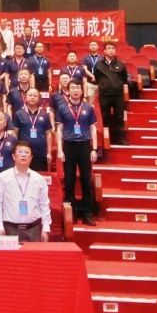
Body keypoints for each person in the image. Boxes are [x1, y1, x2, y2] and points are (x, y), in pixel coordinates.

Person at [54, 82, 99, 224]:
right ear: (68, 90)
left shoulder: (88, 108)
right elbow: (59, 129)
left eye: (78, 88)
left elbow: (93, 129)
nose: (75, 90)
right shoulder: (62, 108)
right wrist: (60, 149)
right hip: (69, 146)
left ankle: (87, 212)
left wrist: (94, 148)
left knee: (86, 179)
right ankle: (71, 212)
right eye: (72, 88)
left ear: (81, 91)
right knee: (69, 180)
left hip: (85, 145)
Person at [0, 143, 51, 242]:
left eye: (27, 153)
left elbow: (44, 204)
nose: (23, 155)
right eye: (20, 152)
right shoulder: (3, 177)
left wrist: (45, 228)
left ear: (31, 158)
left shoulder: (39, 179)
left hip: (34, 228)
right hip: (10, 228)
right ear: (13, 156)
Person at [93, 41, 130, 145]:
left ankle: (120, 139)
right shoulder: (98, 65)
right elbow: (97, 77)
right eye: (109, 48)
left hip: (118, 95)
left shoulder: (121, 65)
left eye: (113, 48)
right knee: (106, 117)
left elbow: (124, 79)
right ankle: (107, 139)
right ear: (104, 51)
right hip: (104, 95)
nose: (111, 50)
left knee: (119, 117)